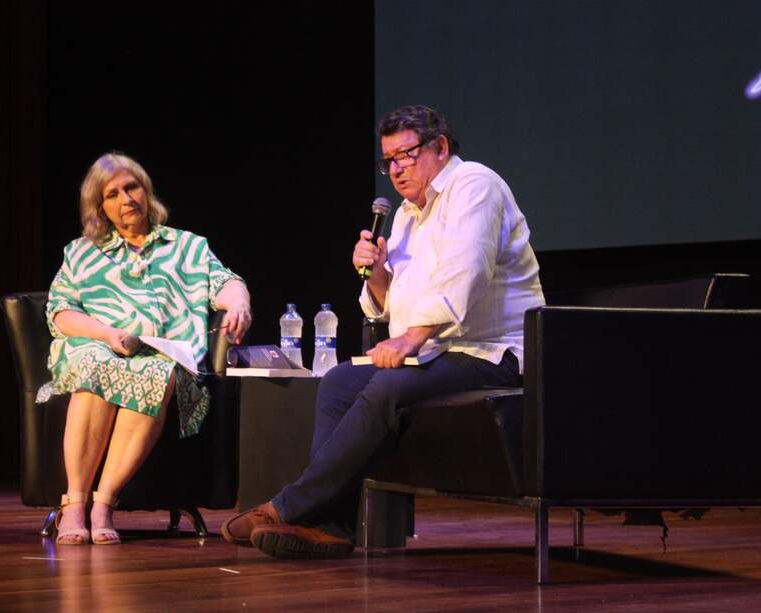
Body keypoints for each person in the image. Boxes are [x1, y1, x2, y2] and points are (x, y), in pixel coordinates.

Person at [221, 104, 544, 558]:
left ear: (441, 147)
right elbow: (398, 304)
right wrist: (374, 273)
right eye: (388, 160)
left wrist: (412, 339)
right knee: (338, 384)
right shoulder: (410, 214)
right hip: (444, 349)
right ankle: (332, 526)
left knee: (388, 385)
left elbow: (466, 276)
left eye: (405, 155)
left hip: (495, 352)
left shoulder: (475, 186)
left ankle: (290, 506)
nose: (395, 169)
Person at [37, 152, 252, 545]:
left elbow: (227, 281)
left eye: (131, 187)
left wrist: (238, 302)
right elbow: (61, 312)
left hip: (163, 354)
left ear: (146, 189)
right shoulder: (81, 253)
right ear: (100, 206)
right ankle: (75, 503)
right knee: (95, 367)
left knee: (157, 372)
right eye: (113, 193)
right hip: (100, 346)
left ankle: (103, 504)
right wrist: (107, 334)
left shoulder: (188, 247)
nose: (126, 199)